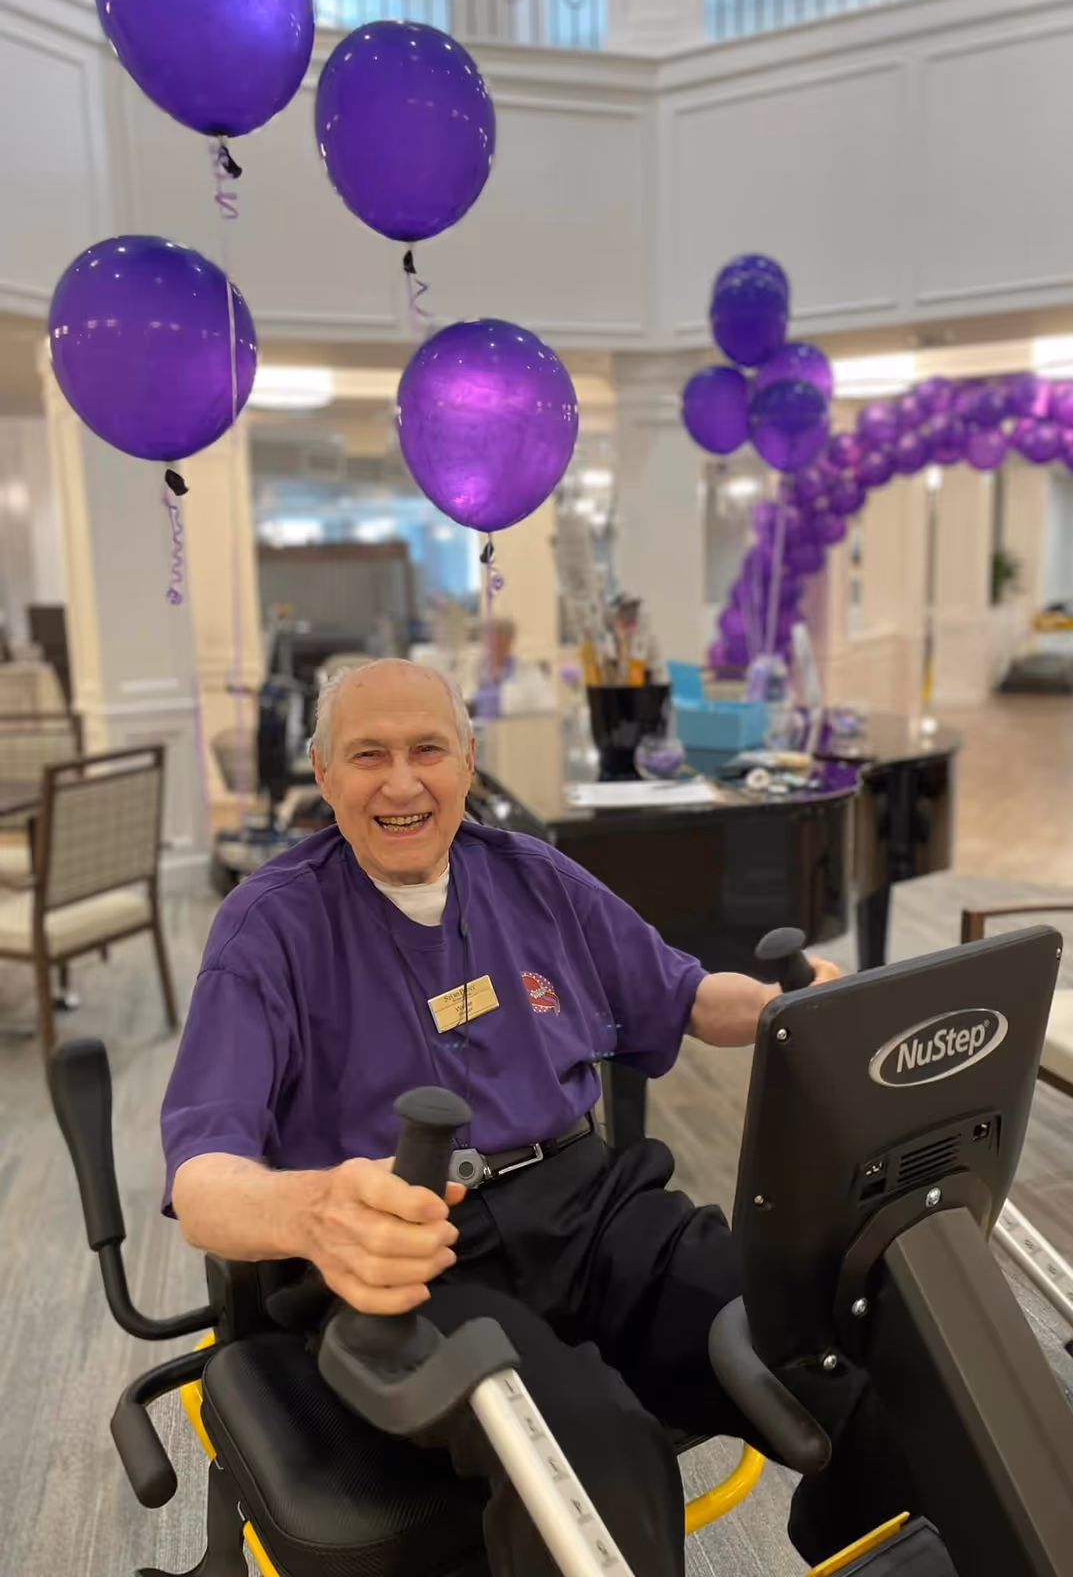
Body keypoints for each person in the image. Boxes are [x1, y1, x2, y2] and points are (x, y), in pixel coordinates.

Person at [162, 658, 909, 1576]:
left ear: (468, 762)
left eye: (427, 749)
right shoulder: (267, 925)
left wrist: (774, 1009)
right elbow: (201, 1175)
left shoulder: (530, 875)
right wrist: (314, 1214)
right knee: (590, 1456)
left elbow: (677, 994)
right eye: (368, 755)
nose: (402, 783)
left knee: (832, 1332)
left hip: (589, 1208)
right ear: (322, 774)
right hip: (416, 1260)